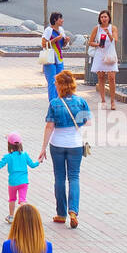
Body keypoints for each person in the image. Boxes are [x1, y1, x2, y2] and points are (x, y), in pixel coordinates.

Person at [40, 68, 91, 229]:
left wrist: (43, 148)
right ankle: (73, 211)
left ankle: (61, 214)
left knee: (60, 178)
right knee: (74, 178)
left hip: (57, 144)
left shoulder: (54, 103)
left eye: (56, 83)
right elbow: (88, 123)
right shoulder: (81, 102)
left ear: (60, 86)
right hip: (75, 144)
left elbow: (49, 126)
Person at [0, 132, 41, 223]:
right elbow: (32, 165)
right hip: (24, 182)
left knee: (12, 199)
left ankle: (11, 216)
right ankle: (26, 214)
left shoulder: (8, 156)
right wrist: (39, 161)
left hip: (12, 182)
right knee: (22, 200)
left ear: (9, 145)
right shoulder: (25, 155)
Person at [88, 9, 119, 110]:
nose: (103, 19)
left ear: (109, 18)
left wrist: (108, 33)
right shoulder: (96, 28)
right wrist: (97, 44)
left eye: (105, 17)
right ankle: (103, 100)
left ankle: (113, 101)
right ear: (99, 19)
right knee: (101, 77)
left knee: (111, 77)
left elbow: (115, 41)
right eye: (102, 17)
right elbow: (90, 42)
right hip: (100, 54)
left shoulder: (112, 28)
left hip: (110, 54)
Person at [40, 11, 67, 103]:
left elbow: (62, 45)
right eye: (60, 18)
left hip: (59, 58)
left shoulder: (61, 30)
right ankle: (52, 101)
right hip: (50, 59)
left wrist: (66, 41)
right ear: (55, 20)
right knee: (52, 81)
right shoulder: (48, 30)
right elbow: (44, 44)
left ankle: (59, 99)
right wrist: (54, 40)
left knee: (60, 81)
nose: (62, 20)